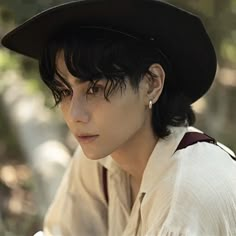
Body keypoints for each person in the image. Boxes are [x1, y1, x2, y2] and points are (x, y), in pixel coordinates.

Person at [2, 0, 236, 235]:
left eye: (94, 88)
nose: (74, 115)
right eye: (64, 91)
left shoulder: (191, 192)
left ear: (151, 83)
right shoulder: (100, 161)